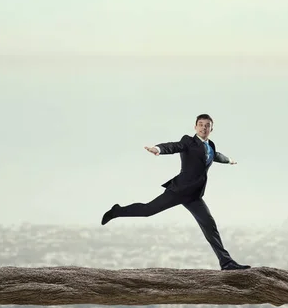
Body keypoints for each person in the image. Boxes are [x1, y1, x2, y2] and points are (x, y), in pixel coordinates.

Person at [101, 114, 251, 271]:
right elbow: (173, 146)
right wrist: (158, 149)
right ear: (195, 127)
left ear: (211, 129)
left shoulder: (211, 145)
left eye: (207, 125)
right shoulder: (188, 141)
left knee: (209, 226)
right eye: (200, 124)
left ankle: (226, 263)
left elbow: (215, 156)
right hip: (178, 190)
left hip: (194, 196)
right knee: (148, 210)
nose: (203, 128)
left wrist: (229, 160)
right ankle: (116, 211)